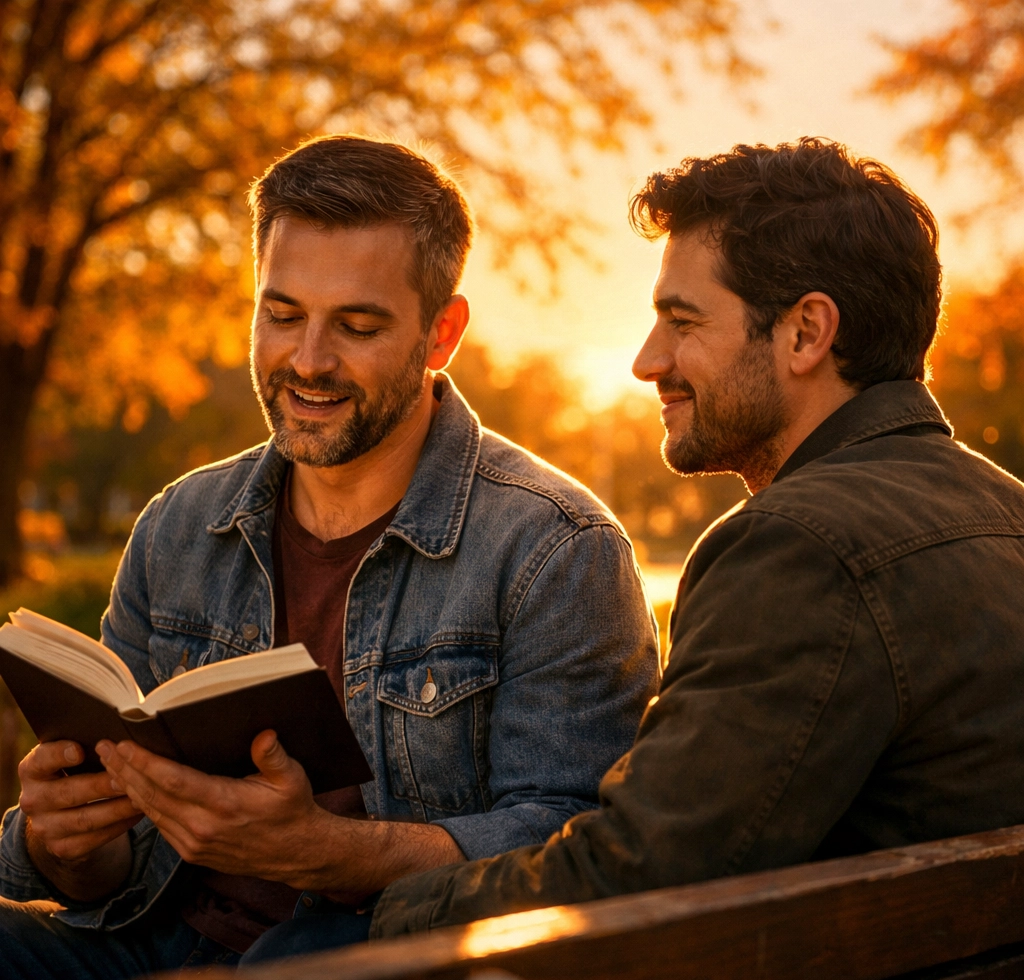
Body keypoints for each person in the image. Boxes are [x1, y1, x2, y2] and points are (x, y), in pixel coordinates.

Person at [0, 135, 658, 980]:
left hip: (373, 972)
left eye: (356, 326)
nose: (308, 361)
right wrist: (66, 846)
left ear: (442, 334)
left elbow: (568, 848)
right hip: (147, 941)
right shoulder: (179, 526)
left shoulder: (556, 547)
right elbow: (106, 866)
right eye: (281, 313)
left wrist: (326, 852)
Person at [366, 137, 1024, 938]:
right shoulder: (1007, 512)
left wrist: (380, 915)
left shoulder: (797, 548)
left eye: (683, 322)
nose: (648, 362)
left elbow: (635, 877)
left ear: (806, 333)